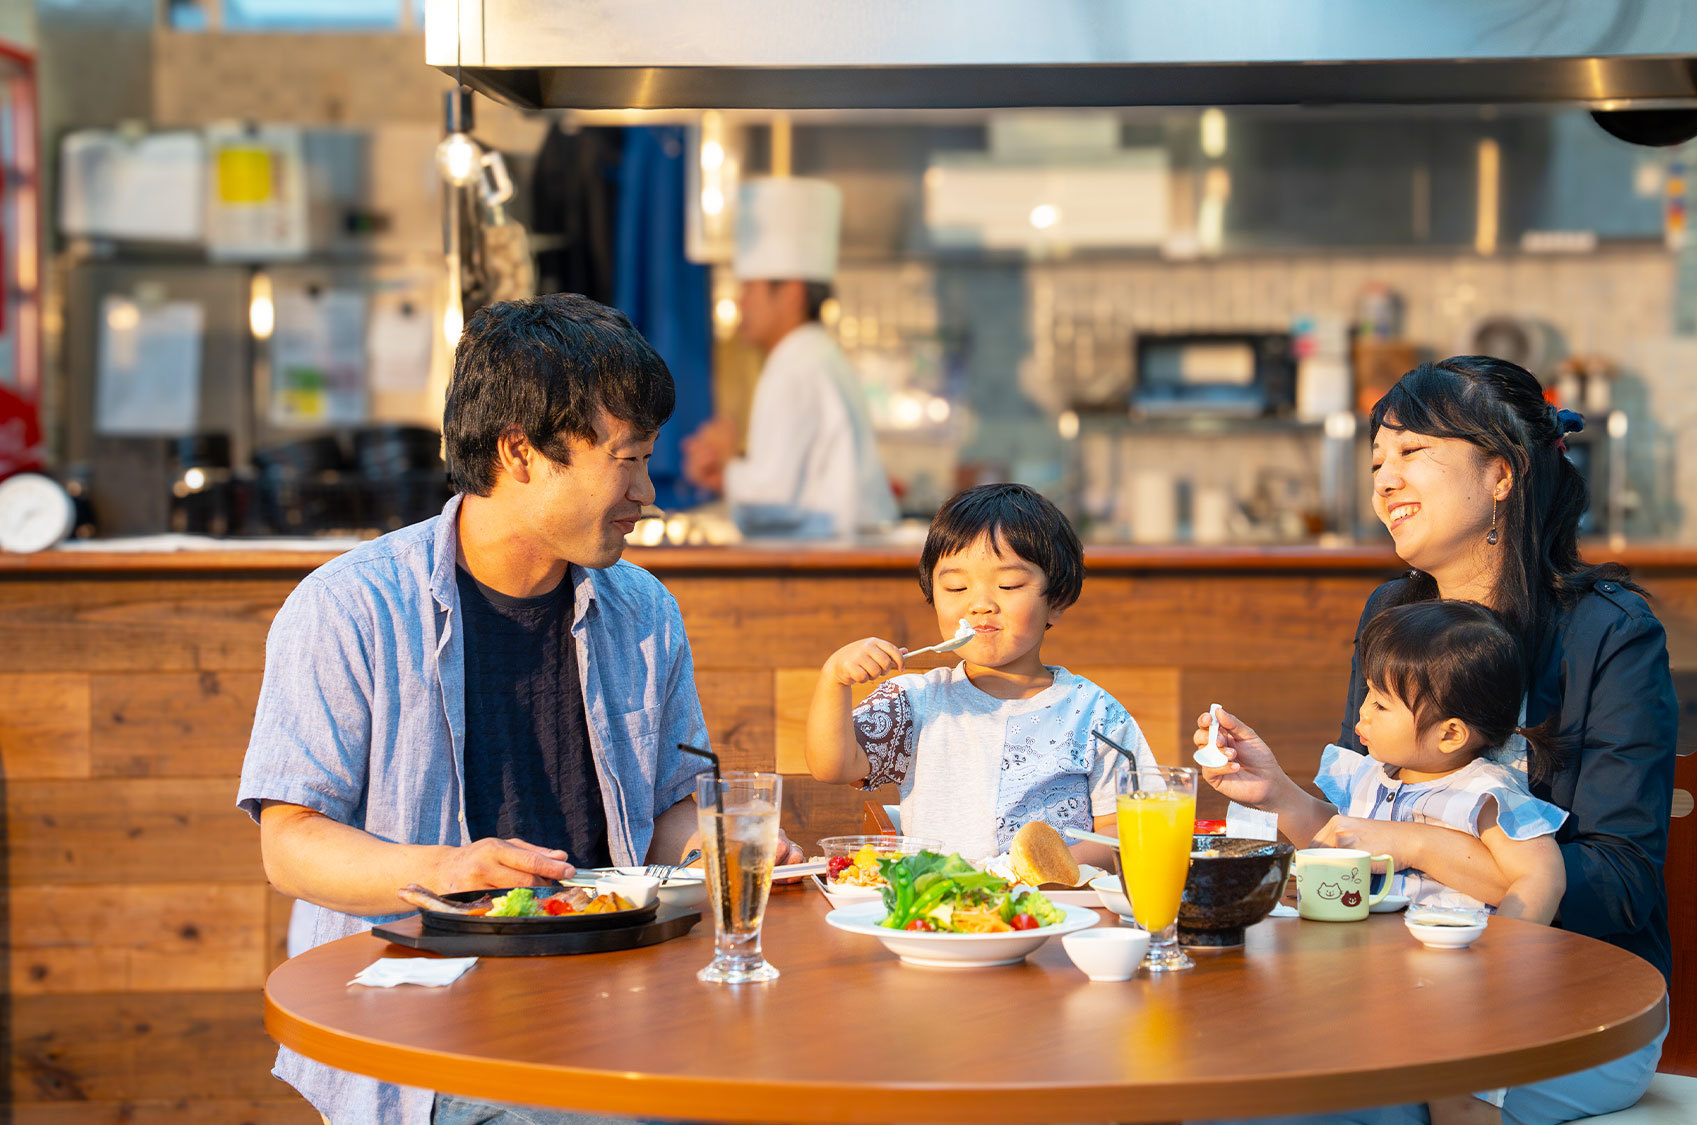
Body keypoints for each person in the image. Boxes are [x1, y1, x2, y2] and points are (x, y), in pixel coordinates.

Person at [237, 293, 801, 1125]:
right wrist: (445, 869)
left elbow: (664, 819)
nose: (647, 491)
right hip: (429, 1025)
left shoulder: (642, 609)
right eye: (628, 459)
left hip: (619, 995)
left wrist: (733, 851)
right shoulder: (348, 609)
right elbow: (289, 846)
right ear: (521, 453)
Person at [1199, 355, 1677, 1125]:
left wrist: (1424, 850)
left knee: (1328, 1105)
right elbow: (1361, 814)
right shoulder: (1394, 613)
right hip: (1398, 988)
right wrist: (1279, 795)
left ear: (1502, 472)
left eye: (1413, 452)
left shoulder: (1607, 632)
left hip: (1571, 1008)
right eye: (1378, 460)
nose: (1384, 480)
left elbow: (1622, 880)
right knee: (1223, 1072)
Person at [802, 483, 1154, 868]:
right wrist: (833, 679)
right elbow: (832, 766)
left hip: (1056, 911)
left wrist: (1045, 868)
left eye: (1008, 585)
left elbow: (1126, 829)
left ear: (1057, 600)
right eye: (956, 586)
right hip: (939, 914)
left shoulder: (1095, 713)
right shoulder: (914, 702)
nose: (980, 604)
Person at [1293, 599, 1568, 922]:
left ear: (1450, 735)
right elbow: (1334, 838)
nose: (1364, 711)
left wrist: (1503, 957)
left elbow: (1542, 877)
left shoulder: (1485, 794)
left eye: (1381, 705)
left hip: (1454, 962)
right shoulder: (1369, 774)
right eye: (1368, 693)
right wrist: (1272, 792)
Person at [681, 176, 897, 539]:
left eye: (750, 288)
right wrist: (728, 471)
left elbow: (774, 498)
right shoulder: (815, 355)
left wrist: (725, 462)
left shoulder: (795, 364)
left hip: (827, 558)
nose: (740, 302)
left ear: (792, 293)